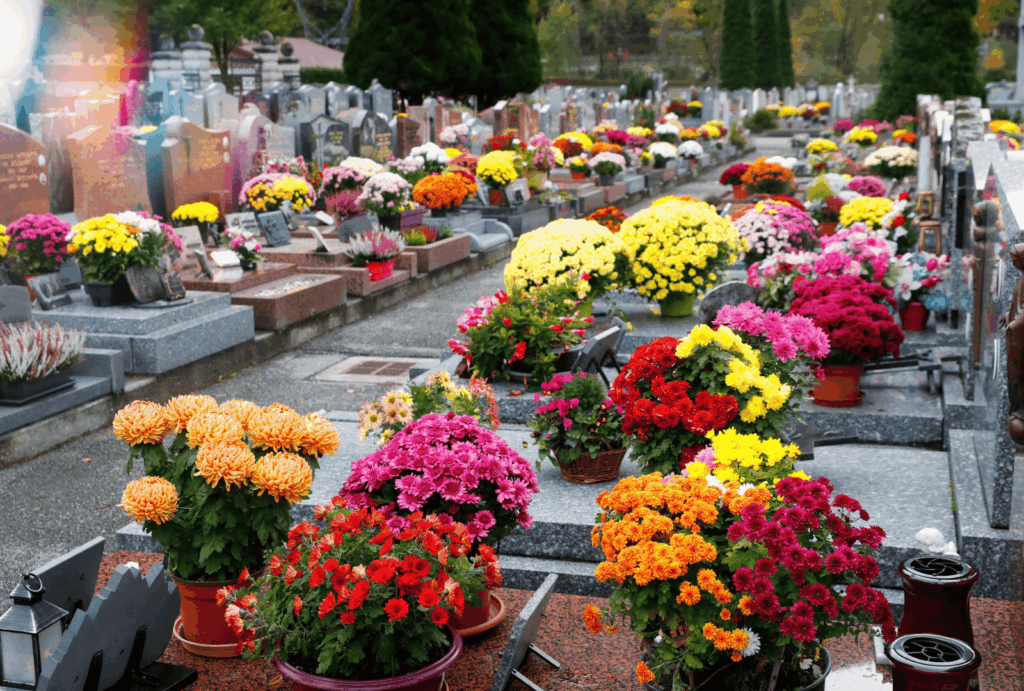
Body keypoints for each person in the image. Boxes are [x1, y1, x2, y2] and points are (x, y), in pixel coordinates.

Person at [1002, 243, 1024, 443]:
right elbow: (1018, 304)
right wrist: (1009, 315)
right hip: (1016, 336)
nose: (1013, 263)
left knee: (1018, 372)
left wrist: (1016, 322)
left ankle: (1019, 408)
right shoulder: (1022, 278)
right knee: (1013, 370)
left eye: (1015, 260)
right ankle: (1016, 407)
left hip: (1020, 337)